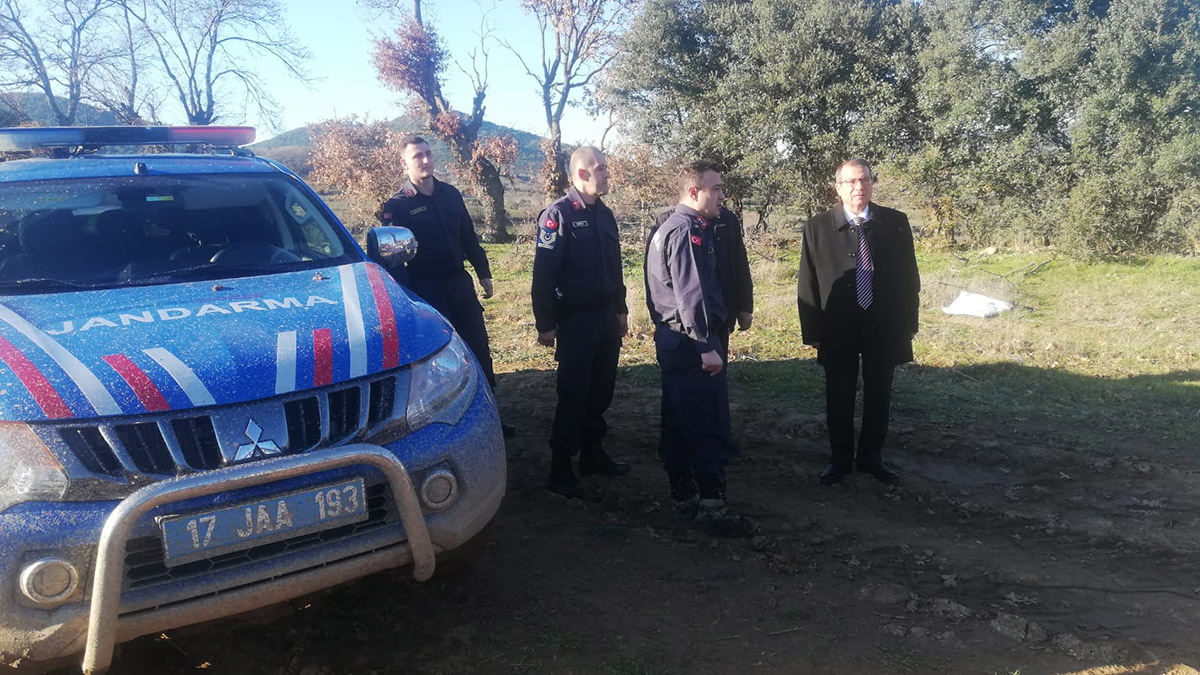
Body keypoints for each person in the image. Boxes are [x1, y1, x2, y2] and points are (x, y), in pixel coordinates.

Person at [645, 161, 755, 536]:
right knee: (708, 419)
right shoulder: (685, 230)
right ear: (694, 192)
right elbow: (690, 294)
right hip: (692, 344)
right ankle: (712, 505)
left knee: (679, 418)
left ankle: (682, 492)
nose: (722, 195)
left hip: (676, 341)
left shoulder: (671, 226)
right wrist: (707, 346)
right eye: (716, 188)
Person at [379, 135, 515, 437]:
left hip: (459, 282)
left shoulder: (450, 194)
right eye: (417, 156)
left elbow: (467, 236)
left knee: (478, 348)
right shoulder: (396, 207)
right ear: (404, 163)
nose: (426, 160)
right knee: (438, 358)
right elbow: (394, 261)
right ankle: (444, 426)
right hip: (426, 288)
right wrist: (407, 298)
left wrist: (483, 272)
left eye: (428, 153)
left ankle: (490, 417)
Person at [796, 158, 920, 485]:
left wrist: (909, 323)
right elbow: (807, 283)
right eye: (850, 181)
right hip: (837, 327)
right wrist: (813, 331)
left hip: (884, 324)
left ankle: (871, 457)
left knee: (880, 393)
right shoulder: (817, 227)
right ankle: (839, 460)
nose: (858, 187)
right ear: (837, 188)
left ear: (872, 183)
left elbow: (910, 277)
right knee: (839, 393)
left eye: (864, 180)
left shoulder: (895, 222)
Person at [531, 146, 630, 498]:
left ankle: (592, 453)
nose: (607, 174)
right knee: (573, 394)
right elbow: (544, 275)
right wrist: (545, 323)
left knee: (602, 390)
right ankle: (561, 467)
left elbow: (615, 268)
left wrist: (621, 309)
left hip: (605, 318)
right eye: (601, 168)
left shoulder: (605, 214)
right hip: (575, 321)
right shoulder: (558, 215)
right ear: (582, 174)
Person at [652, 203, 754, 349]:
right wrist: (657, 317)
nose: (721, 196)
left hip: (720, 318)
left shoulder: (726, 219)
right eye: (714, 190)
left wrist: (745, 307)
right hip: (679, 327)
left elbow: (739, 263)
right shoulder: (667, 221)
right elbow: (653, 276)